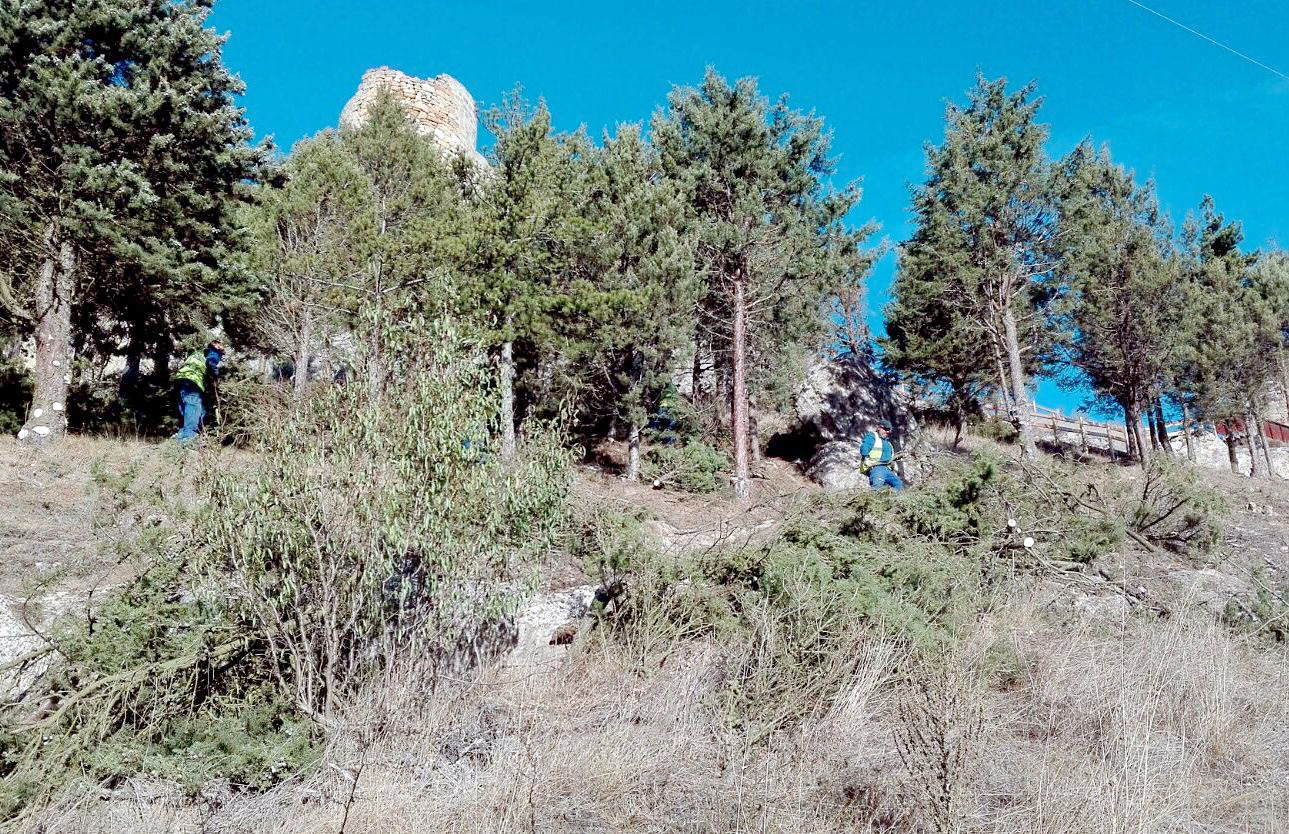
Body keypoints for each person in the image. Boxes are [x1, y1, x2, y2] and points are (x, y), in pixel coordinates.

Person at [173, 340, 224, 442]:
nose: (223, 348)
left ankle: (180, 438)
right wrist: (217, 377)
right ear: (216, 347)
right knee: (194, 408)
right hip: (192, 381)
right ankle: (186, 440)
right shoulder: (213, 352)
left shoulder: (198, 353)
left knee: (196, 411)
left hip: (180, 380)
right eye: (221, 346)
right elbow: (210, 363)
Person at [860, 419, 904, 491]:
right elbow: (864, 449)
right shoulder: (872, 436)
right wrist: (867, 458)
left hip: (887, 469)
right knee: (877, 487)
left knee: (898, 484)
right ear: (879, 428)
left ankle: (891, 500)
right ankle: (873, 501)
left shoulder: (888, 444)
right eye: (886, 429)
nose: (887, 432)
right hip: (876, 468)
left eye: (889, 430)